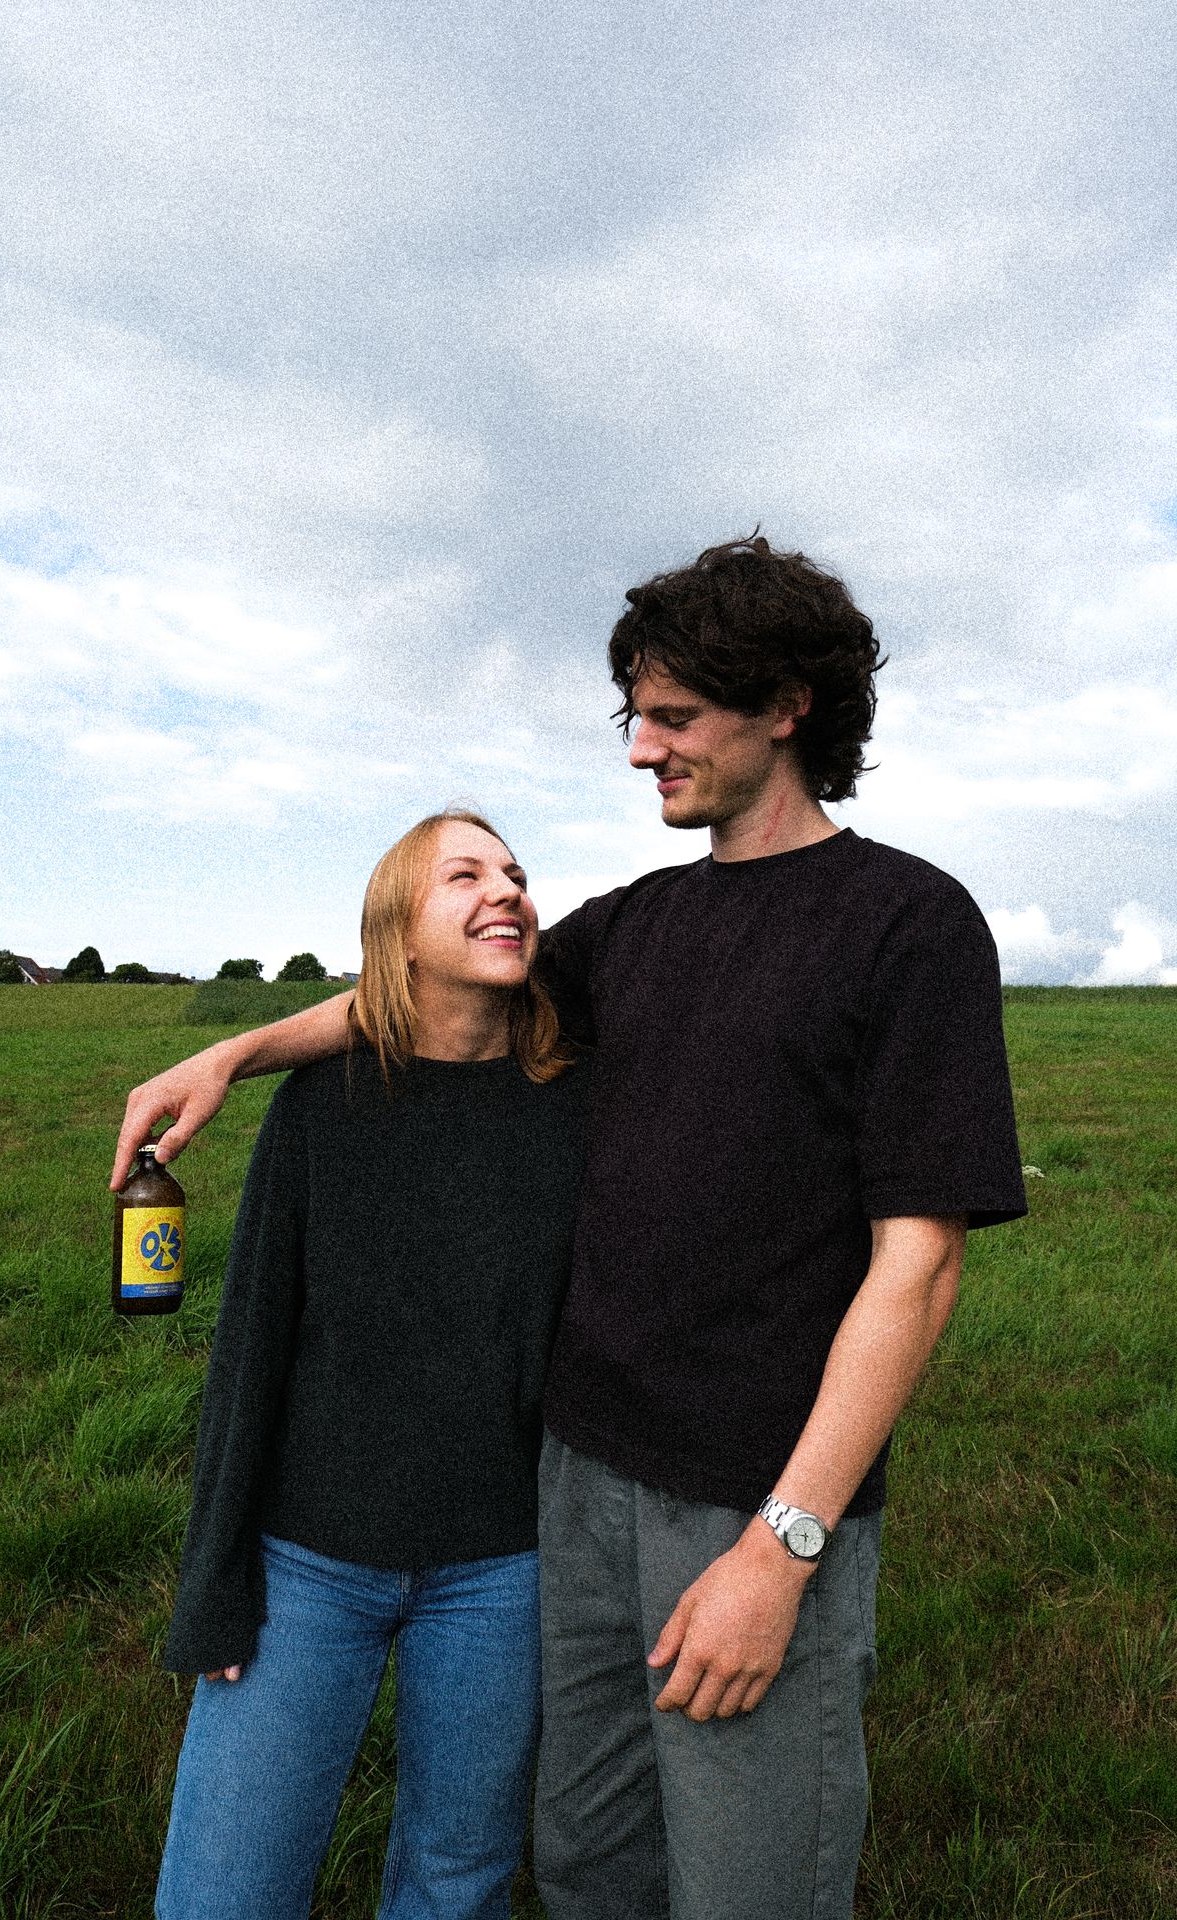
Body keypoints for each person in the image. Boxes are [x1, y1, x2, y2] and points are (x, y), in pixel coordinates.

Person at [116, 534, 1027, 1920]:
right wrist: (235, 1053)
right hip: (573, 1490)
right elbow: (430, 997)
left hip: (748, 1493)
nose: (641, 748)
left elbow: (922, 1262)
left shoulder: (908, 923)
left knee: (745, 1883)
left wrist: (781, 1546)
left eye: (673, 716)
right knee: (591, 1866)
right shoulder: (632, 928)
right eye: (634, 718)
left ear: (788, 706)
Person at [149, 809, 589, 1920]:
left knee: (457, 1881)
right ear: (396, 929)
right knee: (225, 1888)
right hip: (306, 1562)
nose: (505, 890)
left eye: (514, 873)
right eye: (463, 876)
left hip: (502, 1567)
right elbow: (248, 1352)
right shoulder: (322, 1108)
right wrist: (214, 1581)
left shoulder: (576, 1103)